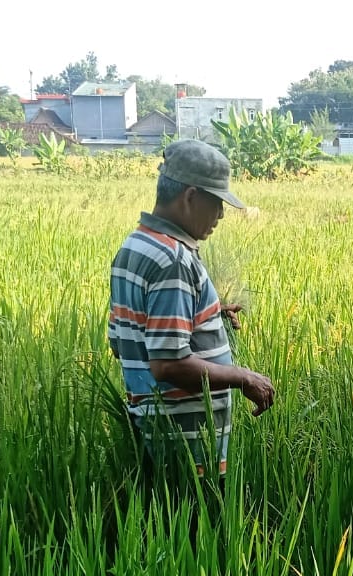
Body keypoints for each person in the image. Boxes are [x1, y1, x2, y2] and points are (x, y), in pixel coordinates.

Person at [108, 139, 275, 497]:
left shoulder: (135, 245)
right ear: (190, 197)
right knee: (197, 528)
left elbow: (125, 339)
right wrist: (243, 377)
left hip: (155, 432)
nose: (221, 215)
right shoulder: (174, 260)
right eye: (216, 203)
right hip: (186, 444)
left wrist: (207, 316)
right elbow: (168, 363)